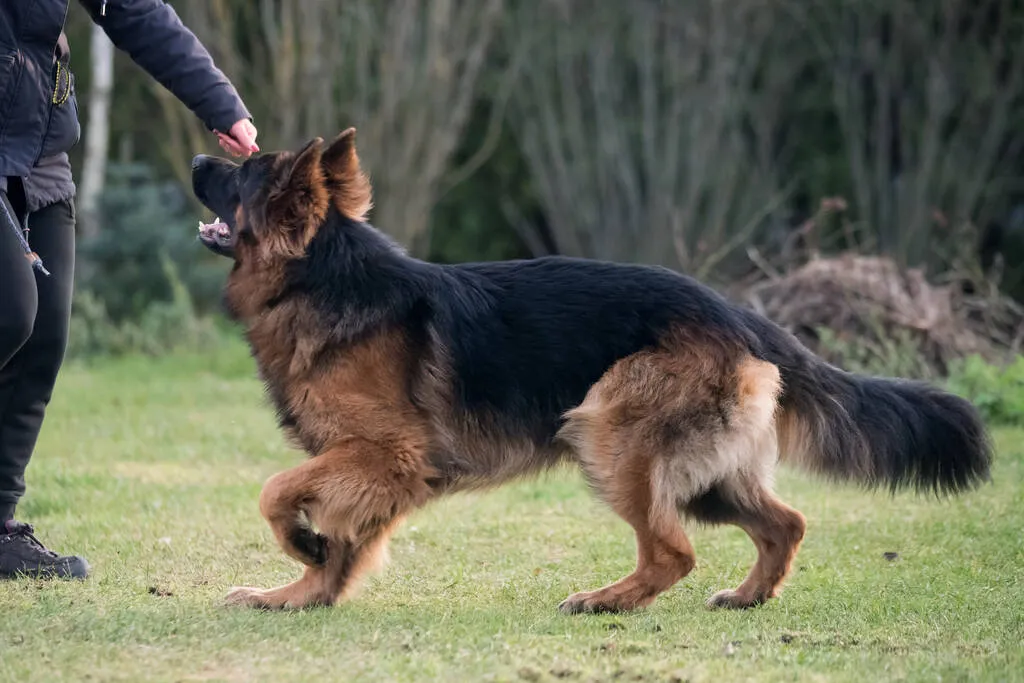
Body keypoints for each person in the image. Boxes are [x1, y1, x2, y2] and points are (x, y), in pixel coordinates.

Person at [0, 0, 258, 580]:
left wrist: (220, 104)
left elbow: (136, 11)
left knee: (43, 337)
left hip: (35, 138)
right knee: (9, 310)